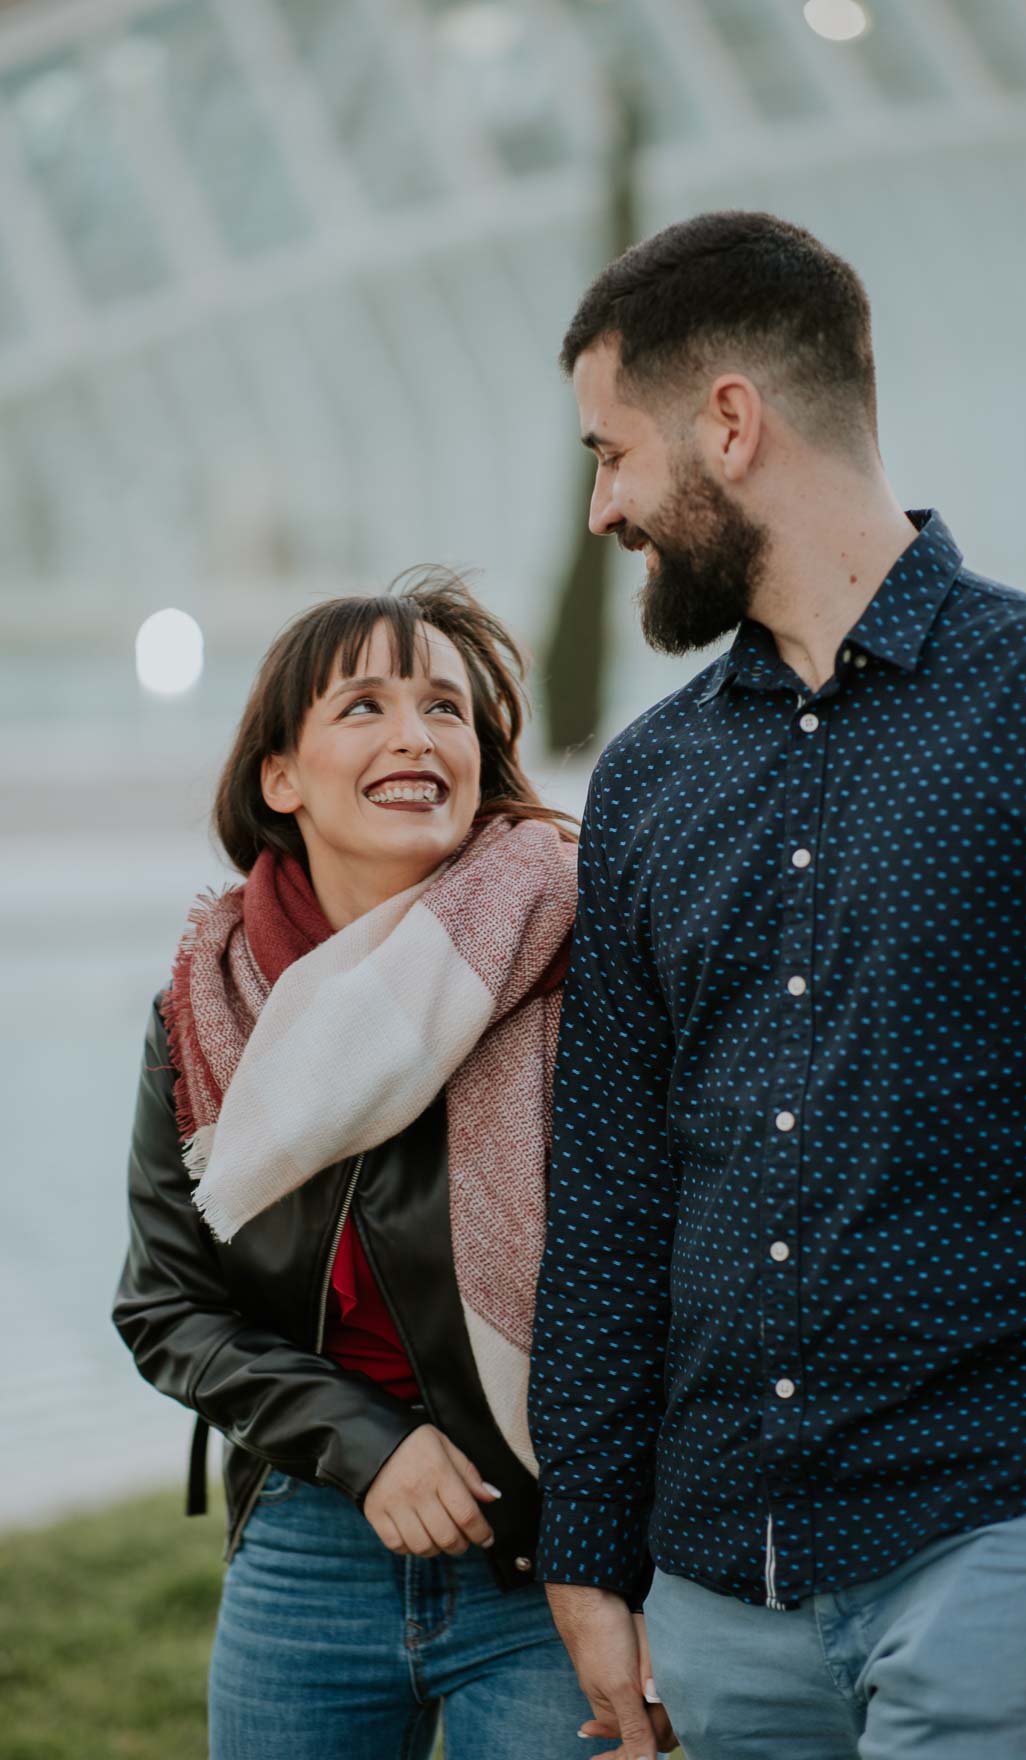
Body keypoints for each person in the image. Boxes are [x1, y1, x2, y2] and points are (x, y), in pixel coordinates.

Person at [527, 210, 1026, 1760]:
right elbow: (613, 1189)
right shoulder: (648, 781)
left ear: (730, 422)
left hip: (1006, 1551)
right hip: (712, 1604)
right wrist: (589, 1559)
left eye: (613, 453)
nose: (604, 506)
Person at [113, 570, 606, 1760]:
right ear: (280, 776)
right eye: (365, 707)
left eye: (447, 709)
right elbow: (166, 1303)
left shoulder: (576, 957)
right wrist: (365, 1441)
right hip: (309, 1537)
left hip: (548, 1554)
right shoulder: (205, 1003)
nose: (417, 735)